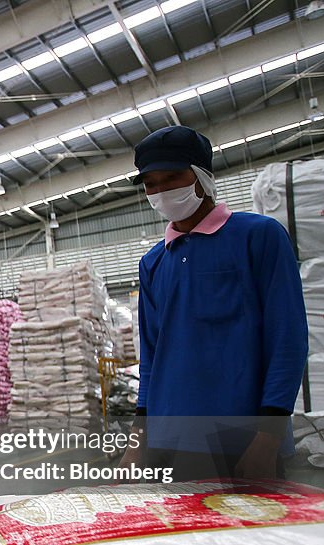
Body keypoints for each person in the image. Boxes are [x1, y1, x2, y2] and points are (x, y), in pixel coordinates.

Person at [120, 126, 308, 481]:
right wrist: (137, 442)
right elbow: (151, 359)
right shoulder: (154, 262)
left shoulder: (258, 237)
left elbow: (288, 341)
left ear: (202, 176)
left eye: (173, 177)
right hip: (169, 443)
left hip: (241, 440)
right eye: (151, 184)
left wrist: (268, 437)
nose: (161, 191)